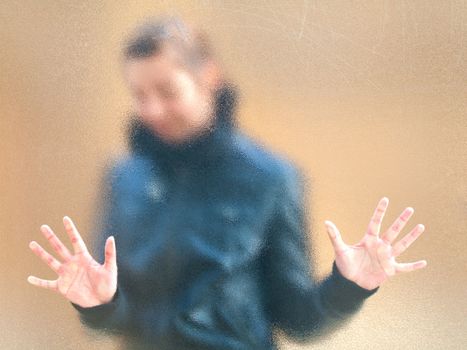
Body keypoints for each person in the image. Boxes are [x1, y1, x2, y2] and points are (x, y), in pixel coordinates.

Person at [27, 16, 427, 350]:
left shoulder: (270, 178)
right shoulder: (124, 177)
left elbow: (299, 321)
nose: (152, 110)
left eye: (167, 91)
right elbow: (116, 320)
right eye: (139, 95)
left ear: (209, 77)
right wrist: (97, 305)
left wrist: (350, 286)